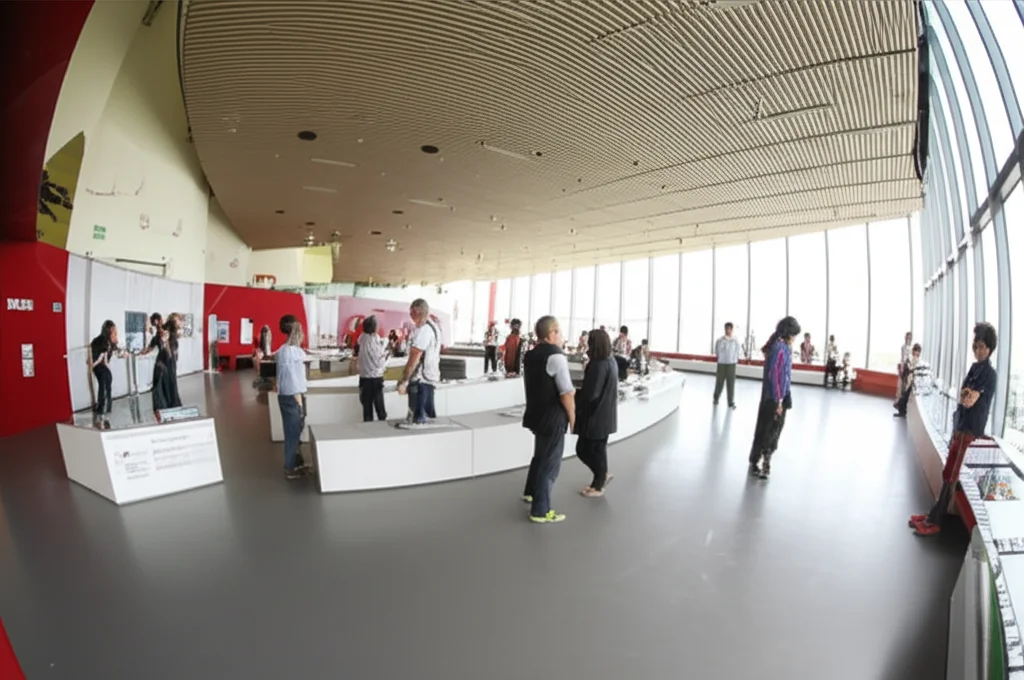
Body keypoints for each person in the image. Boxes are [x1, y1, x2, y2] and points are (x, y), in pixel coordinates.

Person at [911, 323, 998, 536]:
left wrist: (968, 395)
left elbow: (968, 399)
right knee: (949, 471)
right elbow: (964, 395)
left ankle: (935, 519)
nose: (979, 351)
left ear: (990, 347)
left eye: (983, 347)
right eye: (976, 346)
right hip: (961, 425)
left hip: (969, 429)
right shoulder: (975, 369)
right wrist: (968, 395)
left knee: (951, 473)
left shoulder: (989, 374)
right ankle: (935, 515)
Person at [521, 315, 575, 523]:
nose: (561, 336)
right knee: (550, 463)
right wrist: (572, 418)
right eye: (559, 331)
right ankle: (541, 510)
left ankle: (531, 491)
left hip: (536, 413)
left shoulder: (530, 355)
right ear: (552, 333)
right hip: (553, 417)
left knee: (540, 455)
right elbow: (566, 392)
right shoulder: (556, 357)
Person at [749, 316, 800, 480]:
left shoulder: (782, 346)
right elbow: (775, 375)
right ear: (788, 333)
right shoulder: (779, 348)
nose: (795, 338)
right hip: (773, 397)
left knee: (767, 429)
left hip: (776, 395)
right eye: (794, 334)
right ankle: (763, 465)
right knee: (770, 431)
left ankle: (756, 460)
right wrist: (779, 400)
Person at [574, 328, 618, 497]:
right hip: (606, 415)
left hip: (595, 416)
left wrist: (575, 397)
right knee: (599, 450)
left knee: (583, 449)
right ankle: (598, 483)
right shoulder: (610, 361)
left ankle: (601, 479)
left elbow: (591, 394)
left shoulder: (597, 365)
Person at [397, 299, 441, 425]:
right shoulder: (433, 327)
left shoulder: (424, 331)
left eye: (412, 312)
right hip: (429, 379)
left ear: (419, 312)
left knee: (418, 421)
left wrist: (405, 380)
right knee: (429, 417)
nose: (411, 316)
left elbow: (415, 357)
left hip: (421, 380)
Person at [276, 314, 310, 479]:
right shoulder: (295, 353)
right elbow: (295, 380)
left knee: (292, 432)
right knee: (293, 434)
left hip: (285, 395)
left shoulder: (282, 351)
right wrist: (299, 402)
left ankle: (296, 463)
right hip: (293, 396)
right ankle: (290, 468)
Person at [90, 320, 125, 416]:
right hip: (97, 365)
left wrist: (123, 353)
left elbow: (117, 351)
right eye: (113, 331)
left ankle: (106, 407)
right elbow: (98, 358)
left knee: (107, 380)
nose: (115, 333)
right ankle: (102, 407)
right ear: (108, 331)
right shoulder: (100, 341)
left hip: (103, 365)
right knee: (105, 380)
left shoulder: (109, 342)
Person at [357, 315, 388, 422]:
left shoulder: (362, 338)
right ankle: (382, 432)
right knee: (380, 411)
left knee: (367, 410)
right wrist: (386, 356)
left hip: (364, 378)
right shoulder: (373, 341)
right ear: (374, 328)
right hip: (375, 379)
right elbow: (378, 362)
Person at [152, 318, 183, 413]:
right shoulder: (163, 337)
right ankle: (164, 409)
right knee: (164, 387)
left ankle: (170, 407)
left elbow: (174, 355)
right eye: (178, 326)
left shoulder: (174, 341)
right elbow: (167, 353)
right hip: (163, 367)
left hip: (170, 366)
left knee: (171, 386)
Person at [713, 322, 740, 408]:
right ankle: (716, 398)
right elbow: (717, 351)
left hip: (731, 364)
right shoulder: (719, 340)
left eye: (729, 329)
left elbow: (737, 351)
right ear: (725, 329)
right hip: (722, 364)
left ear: (732, 330)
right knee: (719, 382)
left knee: (731, 383)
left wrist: (734, 359)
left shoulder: (735, 341)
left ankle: (730, 401)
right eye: (726, 328)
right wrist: (720, 358)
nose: (728, 330)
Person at [894, 343, 922, 418]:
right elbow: (909, 368)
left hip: (911, 380)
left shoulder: (917, 360)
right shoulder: (910, 358)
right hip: (907, 379)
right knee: (903, 395)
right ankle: (901, 410)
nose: (917, 353)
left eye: (918, 351)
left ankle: (902, 410)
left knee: (905, 396)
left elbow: (913, 368)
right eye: (916, 351)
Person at [896, 331, 913, 401]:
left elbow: (911, 358)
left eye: (909, 337)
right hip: (904, 366)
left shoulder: (911, 347)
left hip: (909, 367)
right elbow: (903, 357)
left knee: (906, 384)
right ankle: (900, 399)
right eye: (907, 337)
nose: (908, 338)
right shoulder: (903, 347)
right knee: (901, 383)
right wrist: (901, 366)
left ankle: (903, 399)